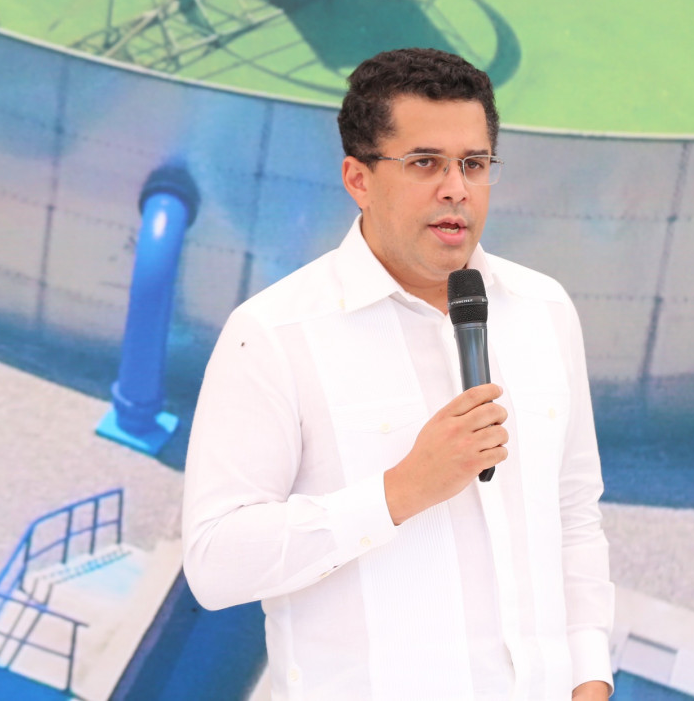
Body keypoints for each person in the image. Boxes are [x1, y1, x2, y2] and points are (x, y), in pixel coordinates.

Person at [182, 48, 614, 700]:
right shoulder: (273, 334)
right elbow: (214, 563)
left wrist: (590, 678)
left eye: (474, 164)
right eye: (425, 163)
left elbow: (574, 515)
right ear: (358, 178)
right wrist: (401, 490)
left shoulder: (544, 308)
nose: (456, 188)